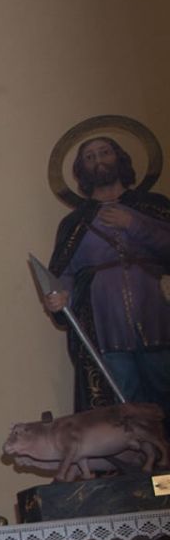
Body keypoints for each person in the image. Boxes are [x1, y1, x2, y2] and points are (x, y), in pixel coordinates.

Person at [43, 136, 170, 411]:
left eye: (104, 152)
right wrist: (60, 295)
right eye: (89, 157)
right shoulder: (75, 223)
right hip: (106, 329)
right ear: (81, 169)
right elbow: (65, 271)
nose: (98, 160)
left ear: (119, 158)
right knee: (126, 405)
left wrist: (133, 224)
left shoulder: (151, 205)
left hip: (158, 321)